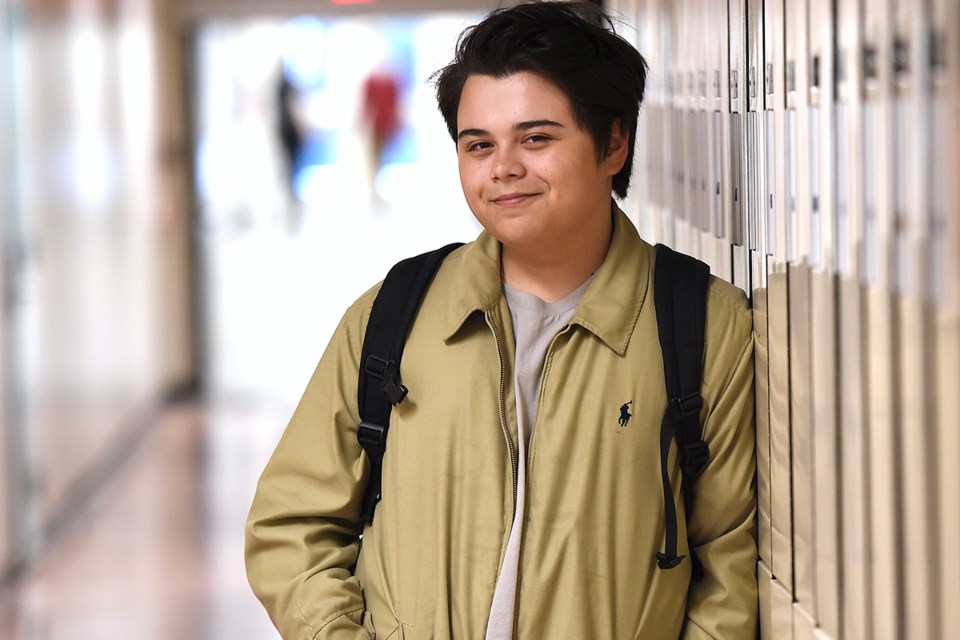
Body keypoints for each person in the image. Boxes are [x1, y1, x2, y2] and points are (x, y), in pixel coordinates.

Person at [245, 2, 758, 639]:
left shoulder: (702, 327)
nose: (503, 168)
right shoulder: (396, 314)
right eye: (478, 145)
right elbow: (290, 524)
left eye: (536, 138)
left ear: (614, 142)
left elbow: (727, 577)